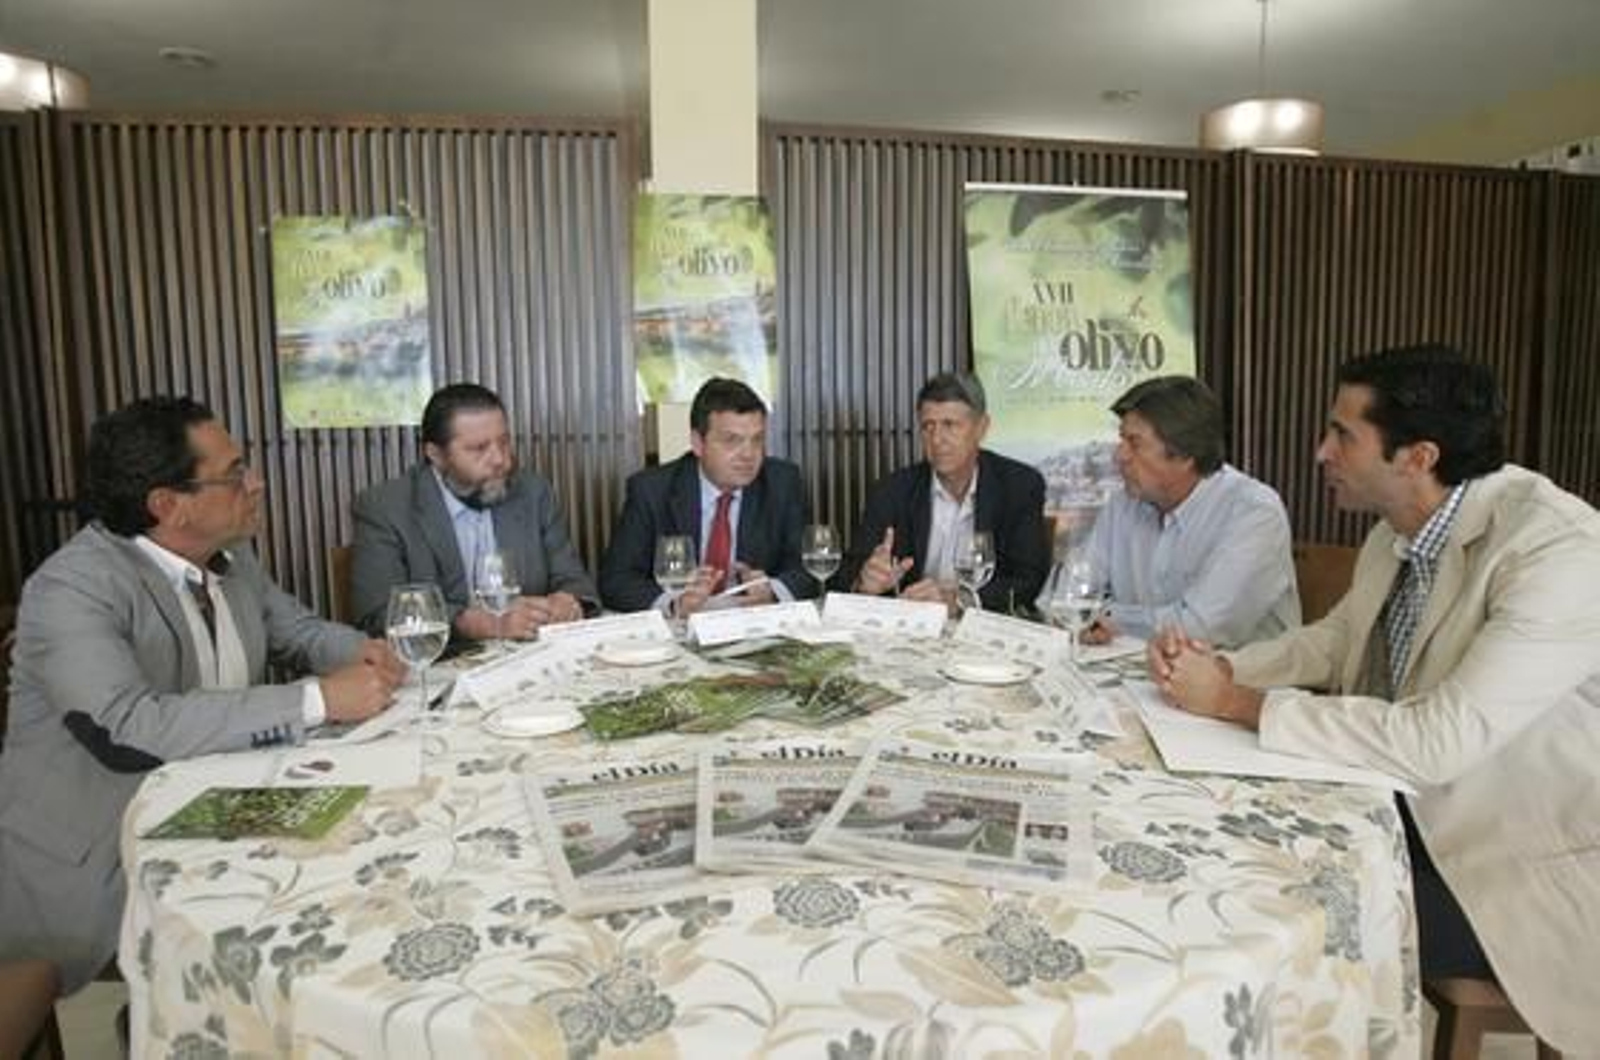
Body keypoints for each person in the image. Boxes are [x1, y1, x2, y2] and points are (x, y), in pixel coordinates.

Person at [1149, 344, 1600, 1053]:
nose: (1320, 450)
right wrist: (1220, 665)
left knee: (1272, 911)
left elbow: (1436, 742)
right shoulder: (1401, 531)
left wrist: (1236, 704)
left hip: (1512, 859)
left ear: (1418, 456)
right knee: (1209, 850)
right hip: (1398, 813)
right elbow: (1334, 642)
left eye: (1342, 434)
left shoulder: (1558, 551)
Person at [0, 396, 404, 993]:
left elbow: (295, 630)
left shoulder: (231, 555)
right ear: (168, 506)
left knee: (370, 876)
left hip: (221, 814)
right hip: (108, 856)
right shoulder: (71, 587)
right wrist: (318, 700)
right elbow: (126, 727)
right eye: (235, 473)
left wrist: (360, 651)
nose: (256, 484)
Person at [350, 383, 597, 642]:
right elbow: (377, 615)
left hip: (525, 657)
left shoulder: (532, 492)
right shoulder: (386, 508)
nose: (500, 459)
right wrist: (472, 624)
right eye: (479, 448)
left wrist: (568, 601)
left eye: (504, 442)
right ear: (435, 454)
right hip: (438, 666)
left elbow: (574, 580)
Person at [1083, 375, 1299, 647]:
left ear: (1185, 454)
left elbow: (1200, 628)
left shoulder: (1253, 511)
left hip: (1241, 682)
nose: (1119, 456)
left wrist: (1109, 618)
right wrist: (1091, 615)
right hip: (1137, 676)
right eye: (1121, 439)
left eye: (1134, 443)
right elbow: (1068, 592)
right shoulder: (1122, 504)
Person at [598, 377, 811, 616]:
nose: (749, 455)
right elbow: (615, 580)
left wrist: (772, 591)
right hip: (682, 627)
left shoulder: (782, 483)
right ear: (698, 443)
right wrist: (674, 604)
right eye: (732, 441)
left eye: (757, 440)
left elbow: (808, 568)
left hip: (752, 624)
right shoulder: (651, 490)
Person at [841, 372, 1048, 613]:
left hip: (984, 631)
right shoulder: (893, 490)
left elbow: (1030, 581)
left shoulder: (1019, 486)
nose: (937, 439)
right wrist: (864, 582)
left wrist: (960, 600)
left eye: (950, 425)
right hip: (910, 628)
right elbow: (851, 571)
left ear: (982, 428)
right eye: (928, 426)